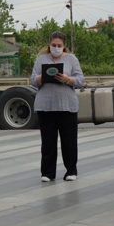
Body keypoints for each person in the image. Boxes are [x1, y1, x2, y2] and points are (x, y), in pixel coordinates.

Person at [29, 31, 85, 182]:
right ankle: (47, 173)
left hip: (67, 106)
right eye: (53, 45)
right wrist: (42, 77)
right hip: (45, 107)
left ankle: (71, 171)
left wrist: (67, 79)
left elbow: (80, 80)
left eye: (59, 45)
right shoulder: (41, 59)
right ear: (49, 44)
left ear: (64, 46)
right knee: (48, 142)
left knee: (69, 141)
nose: (56, 48)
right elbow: (32, 80)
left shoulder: (71, 59)